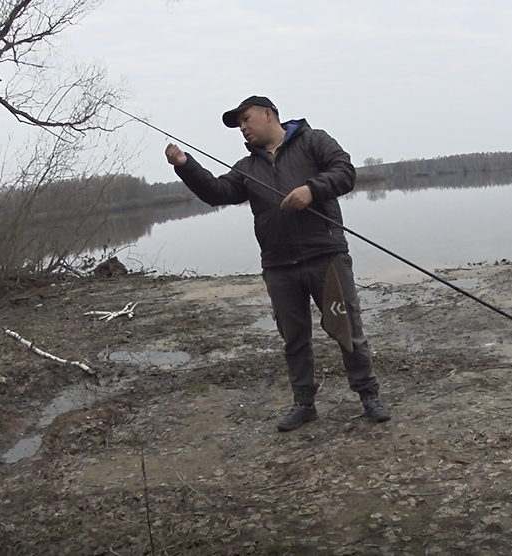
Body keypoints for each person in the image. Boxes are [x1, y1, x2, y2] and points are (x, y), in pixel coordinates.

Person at [164, 95, 390, 431]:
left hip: (326, 254)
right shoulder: (247, 168)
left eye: (246, 119)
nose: (242, 128)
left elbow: (345, 172)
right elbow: (217, 193)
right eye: (238, 124)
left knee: (348, 331)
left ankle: (368, 394)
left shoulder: (314, 141)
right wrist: (185, 165)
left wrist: (312, 189)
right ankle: (304, 403)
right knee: (294, 339)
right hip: (279, 265)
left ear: (268, 115)